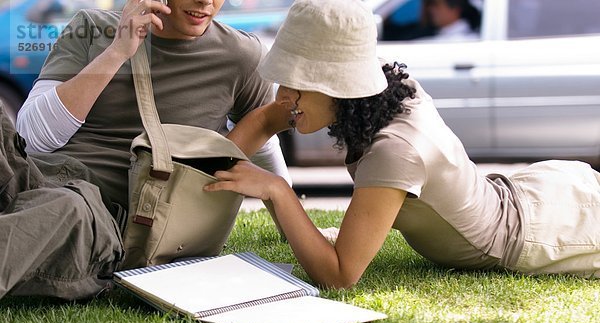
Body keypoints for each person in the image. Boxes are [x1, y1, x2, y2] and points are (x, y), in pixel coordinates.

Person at [205, 0, 600, 289]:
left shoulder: (396, 150)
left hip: (547, 231)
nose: (283, 94)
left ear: (337, 86)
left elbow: (340, 275)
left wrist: (275, 189)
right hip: (530, 191)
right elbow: (264, 118)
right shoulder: (375, 94)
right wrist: (197, 188)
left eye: (295, 82)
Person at [0, 0, 289, 300]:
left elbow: (263, 138)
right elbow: (31, 137)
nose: (206, 1)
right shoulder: (90, 28)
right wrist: (117, 52)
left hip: (100, 213)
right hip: (36, 176)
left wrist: (290, 223)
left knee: (63, 209)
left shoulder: (241, 56)